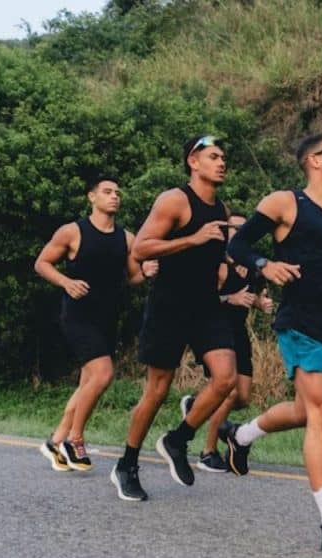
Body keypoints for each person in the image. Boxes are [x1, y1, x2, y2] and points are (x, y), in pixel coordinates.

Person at [226, 132, 322, 555]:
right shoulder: (285, 203)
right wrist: (264, 264)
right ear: (314, 160)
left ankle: (240, 436)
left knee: (305, 408)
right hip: (298, 323)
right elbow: (236, 244)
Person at [110, 135, 240, 501]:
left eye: (224, 157)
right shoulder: (175, 200)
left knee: (226, 377)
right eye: (213, 156)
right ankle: (127, 465)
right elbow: (141, 247)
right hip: (169, 304)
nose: (221, 162)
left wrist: (228, 264)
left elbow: (215, 253)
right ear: (192, 161)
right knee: (157, 389)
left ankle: (177, 439)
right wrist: (192, 239)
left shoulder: (222, 209)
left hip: (206, 306)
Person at [34, 177, 157, 472]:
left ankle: (56, 439)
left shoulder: (126, 238)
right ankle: (75, 438)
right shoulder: (73, 232)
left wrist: (148, 272)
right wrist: (66, 282)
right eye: (107, 192)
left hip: (107, 317)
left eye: (117, 192)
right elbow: (42, 263)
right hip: (77, 315)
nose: (114, 196)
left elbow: (132, 278)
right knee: (103, 374)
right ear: (92, 197)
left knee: (89, 381)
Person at [179, 212, 274, 473]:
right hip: (216, 331)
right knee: (228, 391)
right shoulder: (218, 265)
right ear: (227, 234)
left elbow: (251, 296)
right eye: (235, 228)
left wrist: (259, 303)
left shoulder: (254, 267)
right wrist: (228, 299)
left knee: (242, 397)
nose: (240, 232)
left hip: (239, 332)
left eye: (245, 229)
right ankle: (208, 452)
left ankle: (195, 404)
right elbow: (197, 298)